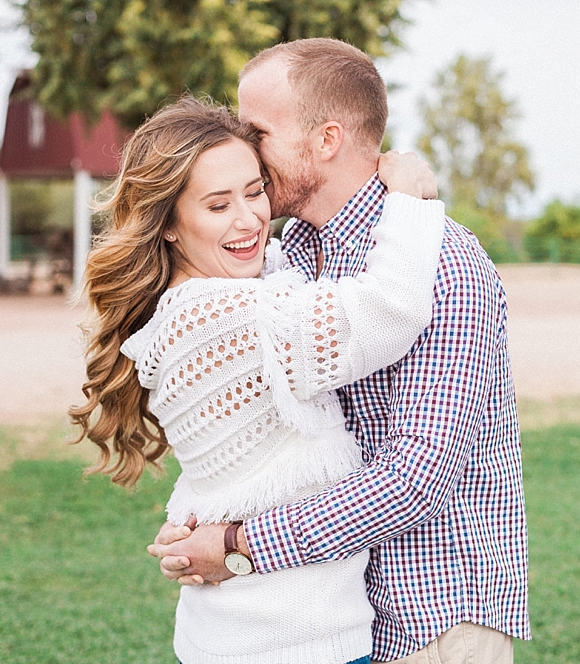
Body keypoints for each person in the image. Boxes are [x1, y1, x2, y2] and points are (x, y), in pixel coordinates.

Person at [150, 38, 531, 663]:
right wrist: (199, 521)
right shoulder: (286, 253)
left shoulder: (445, 266)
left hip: (427, 621)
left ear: (326, 140)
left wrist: (239, 543)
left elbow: (413, 481)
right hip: (317, 620)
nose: (242, 147)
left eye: (258, 129)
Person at [69, 96, 448, 664]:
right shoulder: (221, 319)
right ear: (169, 225)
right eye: (218, 205)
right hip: (289, 642)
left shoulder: (209, 302)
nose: (248, 218)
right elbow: (388, 310)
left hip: (242, 633)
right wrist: (411, 198)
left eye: (255, 191)